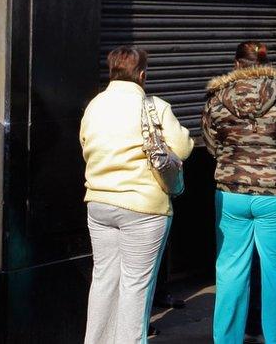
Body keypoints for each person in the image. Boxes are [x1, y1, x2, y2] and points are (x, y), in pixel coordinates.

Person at [203, 41, 276, 343]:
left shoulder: (217, 99)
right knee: (275, 274)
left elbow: (211, 146)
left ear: (236, 64)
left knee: (230, 270)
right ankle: (275, 339)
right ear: (266, 63)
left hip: (232, 193)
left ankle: (226, 339)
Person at [80, 46, 194, 344]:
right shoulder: (155, 106)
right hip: (143, 209)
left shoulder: (94, 105)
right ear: (142, 75)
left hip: (99, 203)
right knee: (136, 286)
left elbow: (85, 144)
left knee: (103, 281)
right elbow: (182, 148)